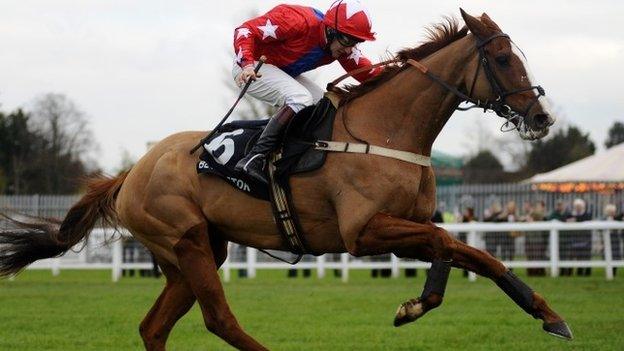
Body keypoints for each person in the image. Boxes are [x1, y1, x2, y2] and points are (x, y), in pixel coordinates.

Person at [232, 0, 380, 184]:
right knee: (300, 98)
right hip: (251, 67)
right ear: (330, 29)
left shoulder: (339, 44)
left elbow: (370, 74)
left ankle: (293, 155)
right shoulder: (297, 21)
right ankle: (254, 158)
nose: (350, 49)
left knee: (322, 103)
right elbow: (244, 30)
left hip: (281, 71)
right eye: (347, 40)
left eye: (356, 41)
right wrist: (246, 65)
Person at [563, 198, 593, 276]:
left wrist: (575, 219)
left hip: (585, 240)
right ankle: (569, 273)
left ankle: (583, 273)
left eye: (579, 206)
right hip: (573, 240)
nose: (578, 207)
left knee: (584, 257)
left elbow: (585, 220)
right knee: (571, 257)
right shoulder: (570, 214)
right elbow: (564, 219)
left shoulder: (587, 215)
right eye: (576, 206)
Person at [524, 201, 547, 276]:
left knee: (538, 256)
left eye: (539, 206)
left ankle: (539, 272)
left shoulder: (540, 214)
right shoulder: (531, 213)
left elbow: (539, 217)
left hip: (537, 239)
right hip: (529, 239)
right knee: (530, 256)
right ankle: (531, 272)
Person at [604, 204, 623, 275]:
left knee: (616, 256)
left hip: (615, 240)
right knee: (608, 256)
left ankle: (613, 272)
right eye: (610, 211)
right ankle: (609, 272)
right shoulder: (604, 219)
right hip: (607, 241)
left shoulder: (617, 218)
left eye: (613, 211)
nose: (612, 213)